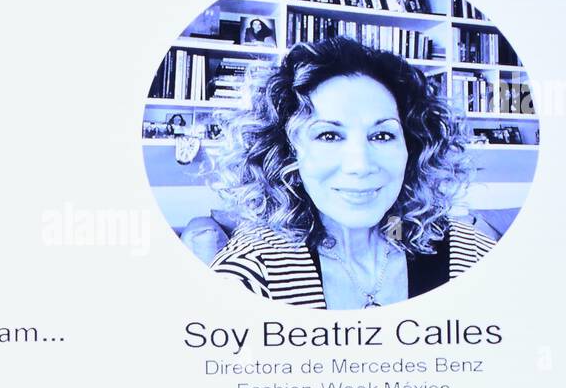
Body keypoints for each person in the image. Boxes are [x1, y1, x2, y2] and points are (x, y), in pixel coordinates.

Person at [208, 37, 495, 308]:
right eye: (329, 136)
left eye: (382, 135)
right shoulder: (253, 271)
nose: (360, 165)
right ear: (288, 152)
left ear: (412, 149)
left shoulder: (467, 255)